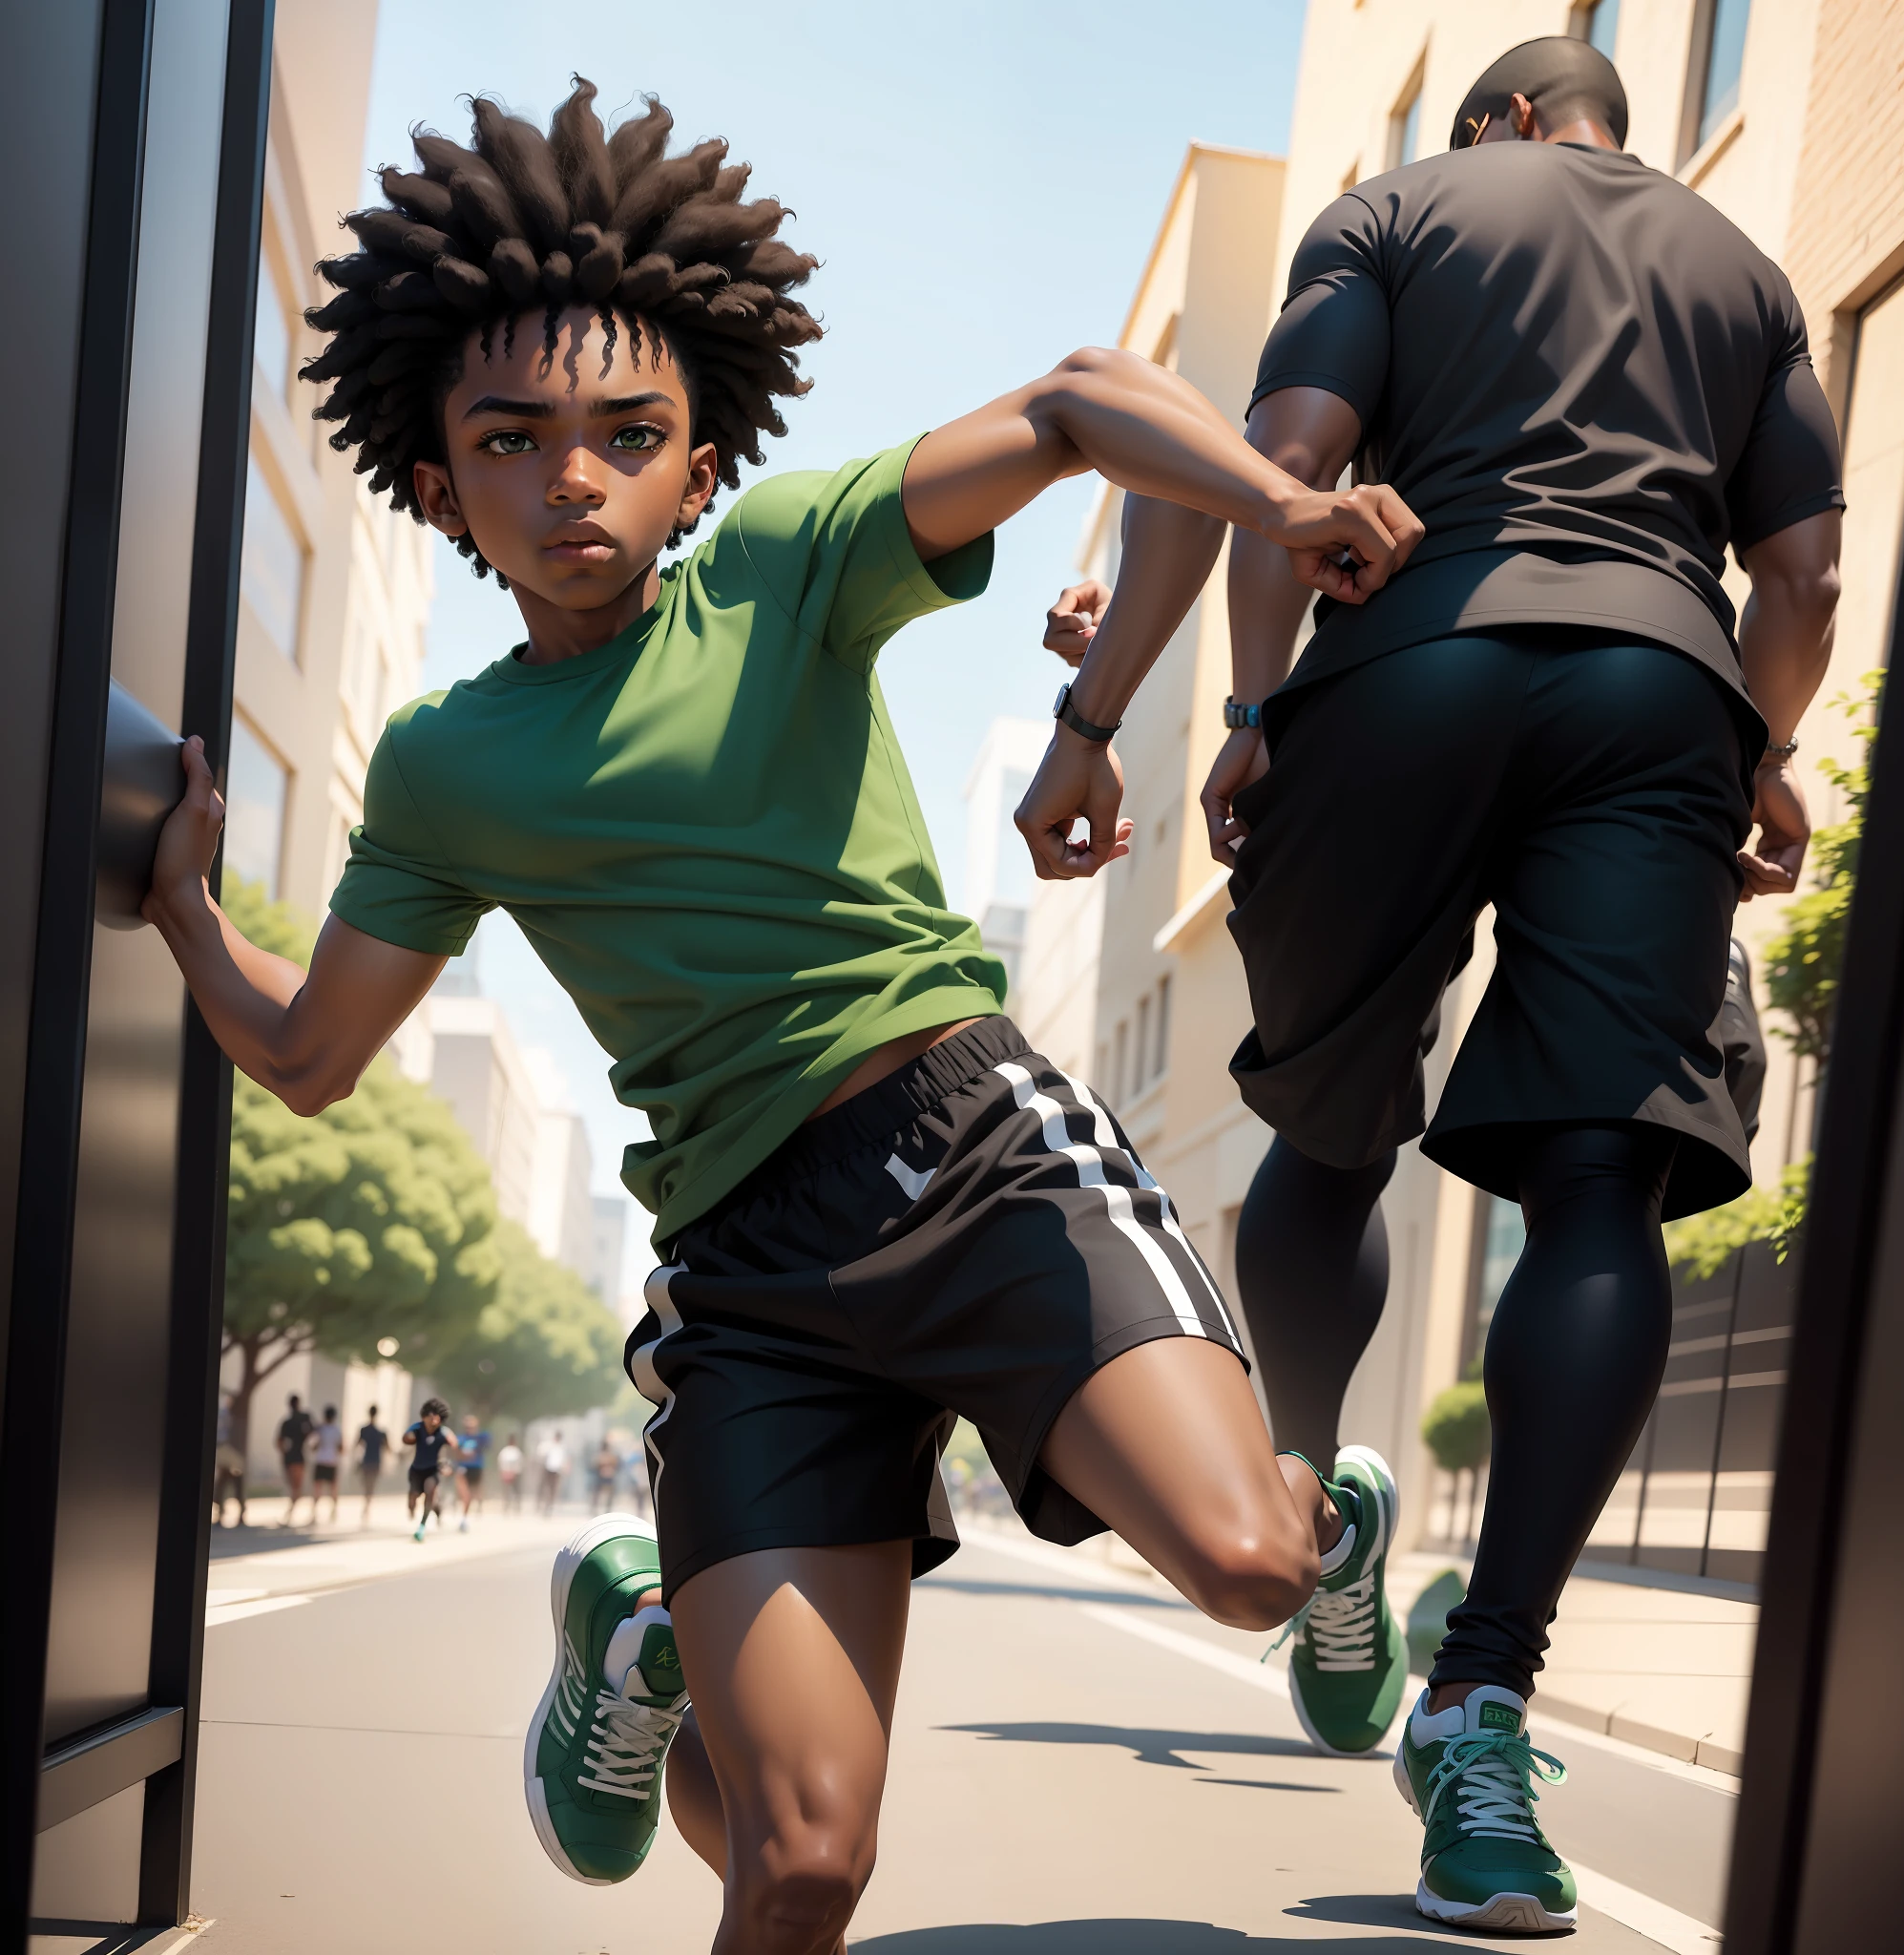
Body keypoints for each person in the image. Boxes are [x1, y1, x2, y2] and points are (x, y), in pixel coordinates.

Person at [138, 81, 1419, 1945]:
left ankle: (1326, 1524)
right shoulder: (445, 767)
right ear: (434, 485)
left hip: (980, 1159)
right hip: (748, 1274)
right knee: (798, 1854)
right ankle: (655, 1640)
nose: (570, 477)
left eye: (623, 434)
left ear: (698, 458)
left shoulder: (789, 564)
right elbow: (315, 1053)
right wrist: (180, 900)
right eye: (511, 440)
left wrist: (1284, 499)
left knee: (1241, 1563)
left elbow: (1075, 401)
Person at [1018, 35, 1842, 1935]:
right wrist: (1760, 750)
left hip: (1404, 673)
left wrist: (1239, 712)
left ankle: (1308, 1519)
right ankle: (1482, 1704)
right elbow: (1795, 579)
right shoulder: (1741, 275)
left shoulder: (1391, 210)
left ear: (1490, 129)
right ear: (1613, 137)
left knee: (1322, 1125)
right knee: (1596, 1180)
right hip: (1655, 695)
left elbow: (1283, 473)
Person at [402, 1397, 459, 1544]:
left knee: (430, 1490)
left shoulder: (444, 1432)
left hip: (433, 1470)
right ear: (424, 1416)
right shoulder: (417, 1428)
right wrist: (409, 1439)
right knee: (413, 1497)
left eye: (437, 1416)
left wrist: (449, 1465)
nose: (433, 1419)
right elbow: (406, 1438)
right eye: (430, 1415)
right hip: (416, 1470)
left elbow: (454, 1446)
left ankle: (422, 1526)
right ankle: (431, 1508)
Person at [276, 1394, 314, 1527]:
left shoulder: (289, 1422)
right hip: (297, 1456)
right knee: (296, 1487)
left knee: (295, 1487)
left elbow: (279, 1442)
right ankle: (291, 1513)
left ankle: (290, 1514)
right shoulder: (301, 1419)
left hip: (291, 1457)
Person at [454, 1412, 491, 1533]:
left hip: (476, 1468)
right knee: (466, 1495)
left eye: (472, 1423)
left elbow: (487, 1446)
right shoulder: (461, 1438)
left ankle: (467, 1515)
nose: (469, 1426)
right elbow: (456, 1453)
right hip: (463, 1468)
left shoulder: (481, 1438)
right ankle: (463, 1518)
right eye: (467, 1423)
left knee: (474, 1494)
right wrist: (463, 1456)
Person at [212, 1391, 245, 1526]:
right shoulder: (226, 1415)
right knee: (224, 1482)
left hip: (230, 1454)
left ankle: (238, 1511)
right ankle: (222, 1512)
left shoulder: (231, 1416)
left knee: (232, 1482)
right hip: (226, 1452)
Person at [308, 1403, 343, 1526]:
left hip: (320, 1460)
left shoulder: (319, 1429)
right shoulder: (337, 1430)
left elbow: (313, 1446)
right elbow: (341, 1447)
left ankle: (314, 1512)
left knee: (318, 1487)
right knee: (333, 1488)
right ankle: (333, 1510)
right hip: (332, 1461)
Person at [355, 1403, 390, 1524]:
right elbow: (388, 1448)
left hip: (367, 1461)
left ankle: (366, 1505)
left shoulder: (364, 1430)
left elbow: (357, 1445)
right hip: (375, 1462)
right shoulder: (381, 1432)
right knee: (371, 1485)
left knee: (366, 1484)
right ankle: (367, 1504)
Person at [536, 1431, 567, 1519]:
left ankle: (548, 1506)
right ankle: (541, 1505)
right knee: (544, 1488)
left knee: (552, 1489)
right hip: (547, 1469)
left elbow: (563, 1460)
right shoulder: (549, 1446)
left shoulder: (561, 1447)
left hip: (556, 1471)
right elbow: (541, 1453)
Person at [590, 1434, 619, 1515]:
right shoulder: (600, 1455)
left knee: (607, 1493)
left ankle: (605, 1508)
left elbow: (616, 1464)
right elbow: (594, 1465)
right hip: (601, 1475)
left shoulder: (610, 1455)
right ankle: (596, 1508)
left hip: (607, 1475)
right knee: (598, 1493)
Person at [498, 1431, 525, 1513]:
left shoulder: (516, 1451)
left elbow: (520, 1463)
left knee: (516, 1491)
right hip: (507, 1473)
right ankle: (506, 1506)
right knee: (507, 1491)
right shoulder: (505, 1451)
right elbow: (501, 1463)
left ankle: (516, 1507)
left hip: (515, 1473)